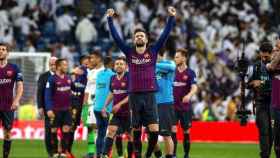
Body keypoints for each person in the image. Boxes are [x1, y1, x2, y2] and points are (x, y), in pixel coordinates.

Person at [107, 6, 176, 158]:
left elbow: (164, 35)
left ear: (146, 40)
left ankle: (148, 153)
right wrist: (110, 20)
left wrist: (171, 18)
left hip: (150, 95)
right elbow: (117, 38)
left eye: (141, 36)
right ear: (134, 40)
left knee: (154, 131)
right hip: (134, 96)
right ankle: (137, 154)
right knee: (136, 129)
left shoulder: (153, 51)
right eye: (137, 36)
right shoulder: (129, 52)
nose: (139, 37)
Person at [101, 57, 133, 158]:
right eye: (117, 64)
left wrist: (119, 104)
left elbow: (131, 95)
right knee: (111, 131)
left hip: (129, 112)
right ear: (114, 66)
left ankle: (129, 155)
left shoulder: (129, 77)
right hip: (116, 113)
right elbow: (112, 92)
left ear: (126, 66)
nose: (119, 66)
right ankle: (105, 155)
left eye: (121, 64)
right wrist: (104, 106)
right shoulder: (112, 78)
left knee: (131, 136)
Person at [247, 42, 273, 158]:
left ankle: (268, 152)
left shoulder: (276, 67)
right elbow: (247, 84)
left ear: (272, 54)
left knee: (273, 133)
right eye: (262, 56)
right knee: (264, 129)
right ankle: (264, 155)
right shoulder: (255, 66)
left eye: (266, 57)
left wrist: (263, 82)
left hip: (275, 103)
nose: (264, 59)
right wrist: (253, 83)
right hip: (261, 102)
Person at [45, 59, 74, 158]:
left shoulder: (69, 78)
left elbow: (75, 89)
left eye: (67, 65)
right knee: (53, 130)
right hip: (55, 110)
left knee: (66, 130)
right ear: (58, 67)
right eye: (64, 65)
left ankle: (63, 152)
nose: (66, 67)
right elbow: (47, 95)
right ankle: (55, 153)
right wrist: (49, 109)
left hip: (67, 110)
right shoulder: (51, 79)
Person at [172, 49, 197, 158]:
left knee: (186, 131)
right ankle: (173, 154)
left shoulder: (190, 73)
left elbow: (194, 87)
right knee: (173, 130)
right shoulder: (172, 72)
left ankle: (186, 155)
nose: (175, 59)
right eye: (175, 57)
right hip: (172, 107)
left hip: (185, 108)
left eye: (177, 57)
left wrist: (189, 95)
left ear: (184, 58)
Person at [0, 43, 23, 158]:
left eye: (3, 49)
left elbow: (20, 86)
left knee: (7, 133)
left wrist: (16, 100)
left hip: (8, 106)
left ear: (7, 53)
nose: (1, 51)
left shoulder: (14, 68)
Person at [82, 51, 104, 158]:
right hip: (89, 104)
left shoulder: (104, 71)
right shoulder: (91, 71)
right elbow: (87, 87)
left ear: (99, 59)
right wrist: (85, 102)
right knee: (90, 127)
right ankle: (92, 152)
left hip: (98, 104)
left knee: (98, 128)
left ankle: (99, 153)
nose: (90, 60)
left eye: (92, 58)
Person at [155, 52, 176, 158]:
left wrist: (153, 64)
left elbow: (173, 67)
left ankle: (169, 156)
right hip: (152, 104)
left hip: (165, 103)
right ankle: (158, 154)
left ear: (161, 54)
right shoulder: (150, 67)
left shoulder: (169, 63)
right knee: (151, 134)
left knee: (166, 134)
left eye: (155, 54)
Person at [93, 56, 115, 158]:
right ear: (111, 64)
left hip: (97, 107)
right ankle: (105, 154)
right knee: (109, 133)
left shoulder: (99, 74)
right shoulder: (113, 75)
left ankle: (99, 154)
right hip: (106, 108)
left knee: (101, 133)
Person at [37, 56, 57, 158]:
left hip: (61, 108)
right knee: (49, 131)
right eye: (51, 64)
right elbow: (40, 92)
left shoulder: (63, 76)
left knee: (62, 130)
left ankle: (60, 151)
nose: (53, 66)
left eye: (54, 64)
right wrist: (40, 106)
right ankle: (50, 152)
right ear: (49, 65)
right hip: (48, 108)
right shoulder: (44, 76)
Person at [69, 55, 89, 152]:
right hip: (73, 101)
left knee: (74, 127)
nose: (87, 63)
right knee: (70, 126)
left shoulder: (89, 73)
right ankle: (65, 149)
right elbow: (75, 72)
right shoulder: (79, 71)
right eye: (85, 61)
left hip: (82, 102)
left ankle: (67, 149)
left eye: (88, 61)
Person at [266, 40, 280, 158]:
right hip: (276, 103)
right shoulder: (271, 67)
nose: (275, 50)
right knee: (277, 137)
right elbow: (271, 66)